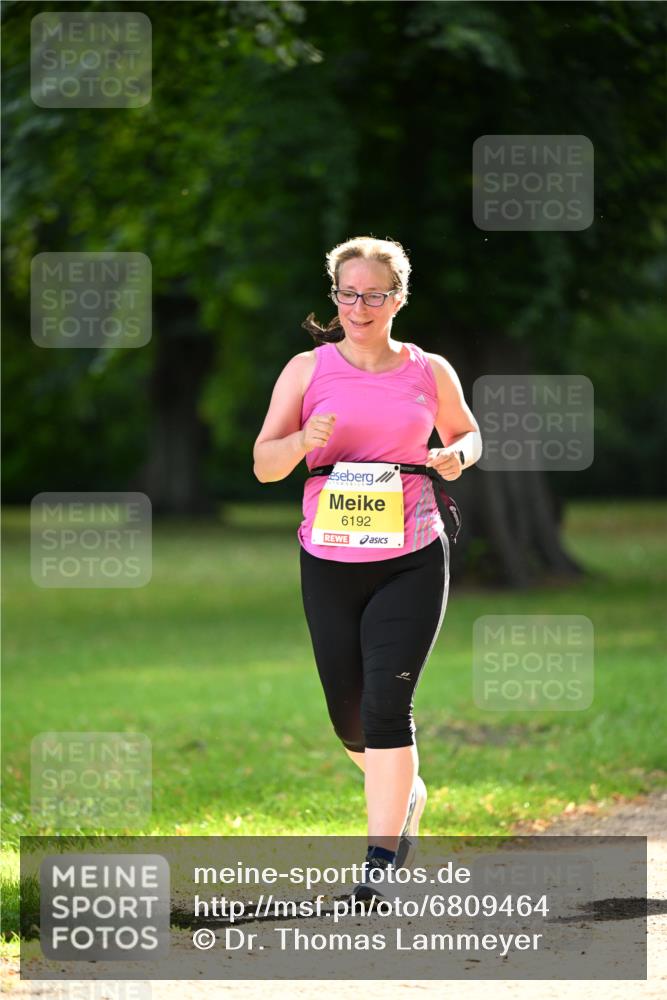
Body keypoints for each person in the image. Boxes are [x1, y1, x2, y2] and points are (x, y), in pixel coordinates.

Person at [253, 236, 482, 902]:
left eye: (374, 294)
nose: (359, 307)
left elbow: (467, 433)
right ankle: (406, 792)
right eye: (347, 294)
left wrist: (457, 456)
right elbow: (263, 464)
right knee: (348, 718)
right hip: (329, 559)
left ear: (397, 298)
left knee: (387, 704)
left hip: (411, 555)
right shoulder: (307, 370)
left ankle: (380, 866)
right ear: (335, 296)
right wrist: (301, 441)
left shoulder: (428, 370)